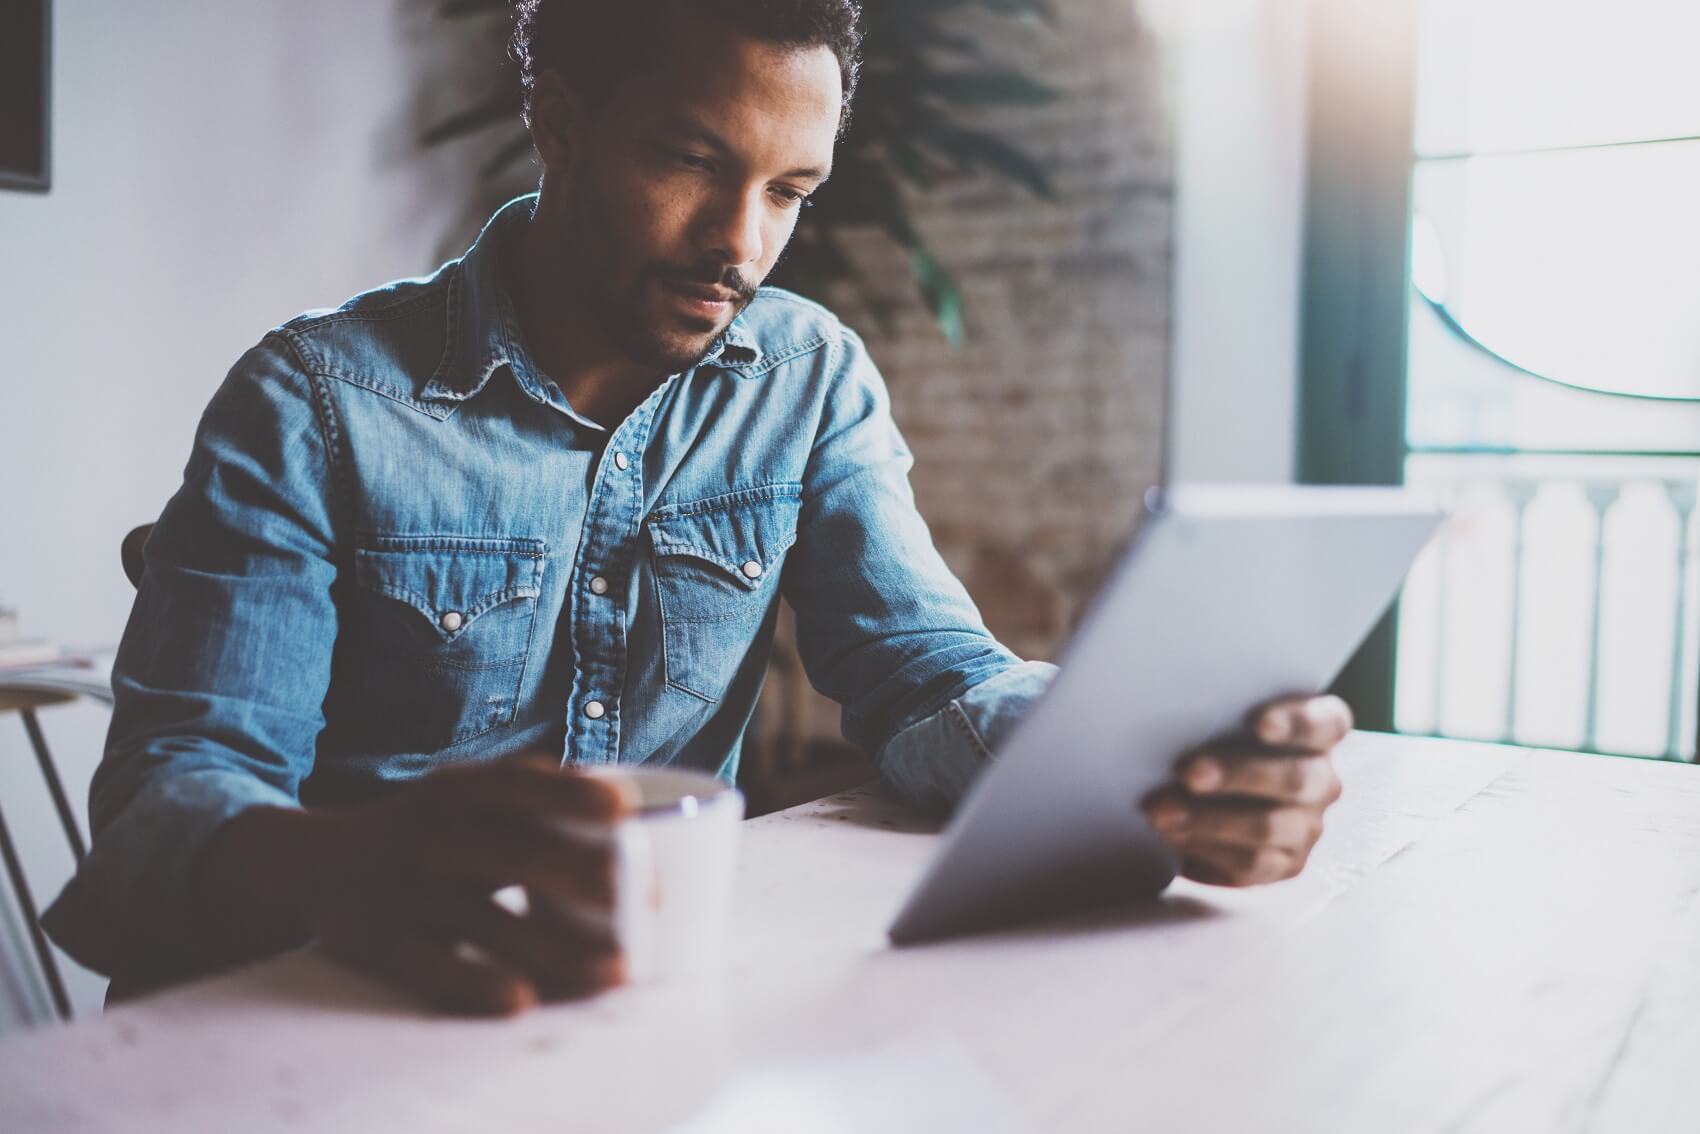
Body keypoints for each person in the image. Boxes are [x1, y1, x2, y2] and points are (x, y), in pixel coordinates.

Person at [44, 0, 1351, 1015]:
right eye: (691, 158)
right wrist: (351, 863)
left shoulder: (807, 377)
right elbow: (165, 805)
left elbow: (924, 678)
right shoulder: (316, 401)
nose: (743, 242)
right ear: (559, 126)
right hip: (301, 1024)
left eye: (791, 190)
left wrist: (1150, 760)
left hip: (628, 1028)